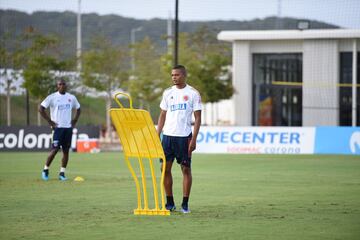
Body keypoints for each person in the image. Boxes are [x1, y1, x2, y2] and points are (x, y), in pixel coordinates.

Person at [157, 65, 202, 213]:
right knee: (164, 169)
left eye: (176, 75)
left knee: (186, 170)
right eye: (172, 75)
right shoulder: (167, 92)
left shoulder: (193, 93)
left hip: (184, 138)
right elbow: (162, 114)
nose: (173, 77)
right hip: (168, 137)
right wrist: (158, 133)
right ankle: (170, 202)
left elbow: (198, 118)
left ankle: (185, 204)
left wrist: (194, 139)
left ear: (183, 75)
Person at [39, 78, 81, 181]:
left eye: (64, 84)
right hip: (57, 129)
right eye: (60, 84)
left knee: (66, 151)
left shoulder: (71, 97)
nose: (62, 85)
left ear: (66, 86)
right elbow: (41, 109)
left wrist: (75, 120)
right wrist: (50, 121)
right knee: (55, 150)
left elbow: (79, 108)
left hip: (68, 129)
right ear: (57, 86)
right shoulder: (52, 97)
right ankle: (45, 170)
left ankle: (62, 173)